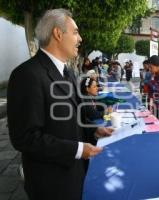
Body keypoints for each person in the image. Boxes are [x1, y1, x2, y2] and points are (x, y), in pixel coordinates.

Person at [7, 9, 113, 200]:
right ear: (57, 33)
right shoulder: (27, 75)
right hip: (51, 184)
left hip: (74, 175)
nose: (80, 38)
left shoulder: (68, 73)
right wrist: (79, 149)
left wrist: (93, 132)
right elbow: (25, 138)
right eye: (75, 32)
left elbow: (74, 120)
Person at [80, 77, 113, 145]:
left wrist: (107, 106)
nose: (97, 88)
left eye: (97, 86)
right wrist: (106, 111)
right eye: (94, 87)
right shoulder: (84, 100)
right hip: (88, 135)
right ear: (87, 89)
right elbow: (93, 115)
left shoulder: (92, 97)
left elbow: (99, 105)